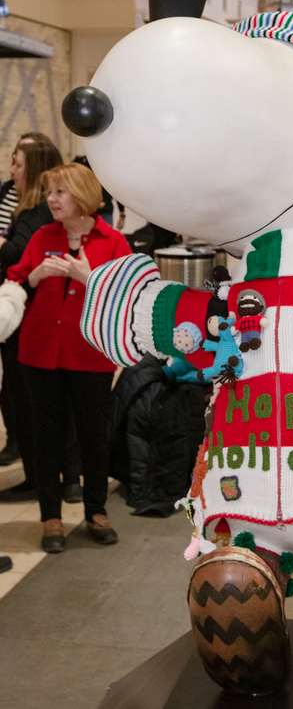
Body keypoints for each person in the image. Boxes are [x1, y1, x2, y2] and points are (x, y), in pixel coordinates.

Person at [8, 163, 131, 553]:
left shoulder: (113, 241)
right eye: (50, 192)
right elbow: (15, 282)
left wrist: (88, 278)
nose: (51, 199)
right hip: (39, 352)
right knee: (46, 436)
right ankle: (51, 518)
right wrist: (34, 276)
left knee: (93, 436)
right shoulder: (42, 236)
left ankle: (96, 512)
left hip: (90, 354)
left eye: (59, 192)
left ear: (81, 195)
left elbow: (129, 298)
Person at [0, 140, 63, 495]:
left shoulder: (36, 215)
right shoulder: (22, 204)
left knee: (30, 400)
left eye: (18, 164)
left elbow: (17, 255)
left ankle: (42, 480)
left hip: (25, 314)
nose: (12, 171)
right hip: (23, 311)